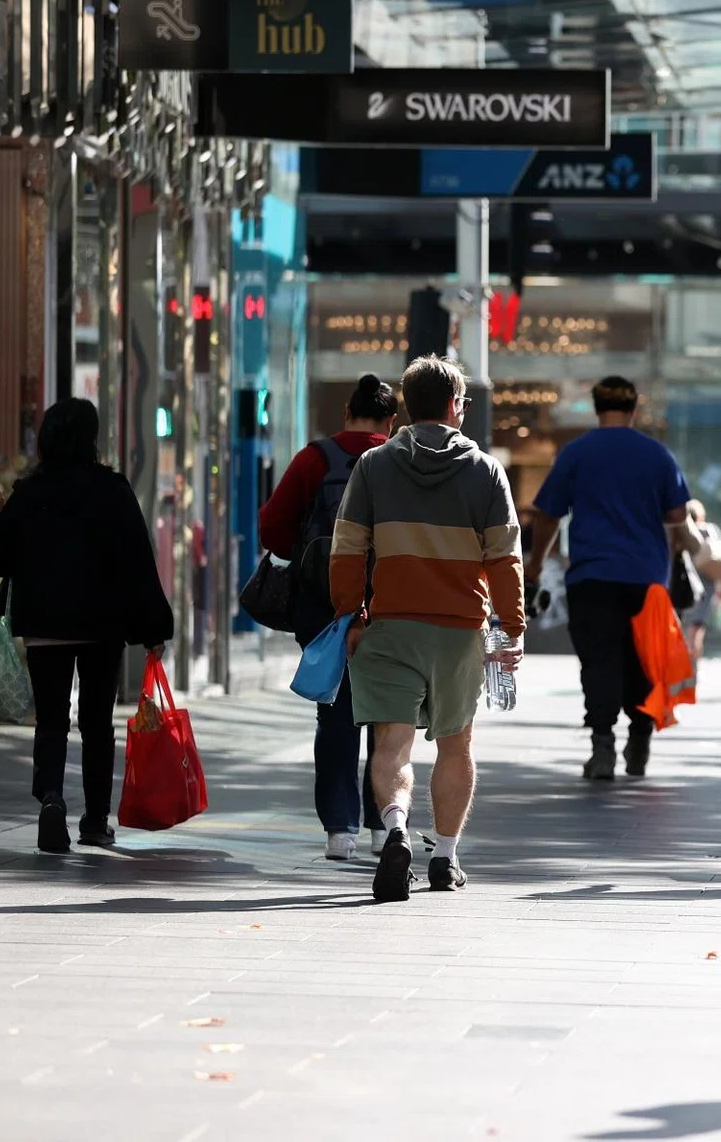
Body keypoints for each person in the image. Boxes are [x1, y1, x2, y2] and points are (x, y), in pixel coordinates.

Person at [330, 357, 525, 902]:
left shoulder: (372, 466)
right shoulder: (486, 471)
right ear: (456, 406)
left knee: (391, 744)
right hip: (460, 628)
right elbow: (505, 559)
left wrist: (352, 614)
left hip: (389, 624)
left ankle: (394, 829)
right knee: (455, 744)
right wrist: (512, 629)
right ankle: (444, 856)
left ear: (406, 408)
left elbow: (346, 548)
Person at [0, 399, 173, 854]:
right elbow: (137, 562)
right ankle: (95, 820)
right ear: (91, 438)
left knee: (50, 721)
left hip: (44, 625)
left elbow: (0, 557)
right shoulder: (112, 489)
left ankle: (50, 800)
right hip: (101, 626)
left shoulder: (28, 493)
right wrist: (153, 627)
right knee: (97, 723)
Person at [524, 375, 698, 781]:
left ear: (597, 407)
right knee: (642, 659)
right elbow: (676, 516)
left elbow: (548, 513)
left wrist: (535, 565)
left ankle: (602, 747)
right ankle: (640, 738)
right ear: (634, 409)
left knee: (599, 662)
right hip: (648, 580)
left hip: (591, 577)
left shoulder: (576, 453)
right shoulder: (657, 455)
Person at [257, 373, 398, 861]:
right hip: (392, 601)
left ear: (347, 412)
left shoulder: (316, 458)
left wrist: (305, 550)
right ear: (392, 419)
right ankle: (385, 823)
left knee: (336, 713)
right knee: (386, 712)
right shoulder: (400, 459)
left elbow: (273, 527)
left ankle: (340, 829)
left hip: (324, 604)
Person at [678, 499, 721, 667]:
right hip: (707, 587)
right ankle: (693, 665)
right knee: (696, 631)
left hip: (684, 586)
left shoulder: (682, 532)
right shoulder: (712, 531)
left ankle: (685, 665)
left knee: (684, 630)